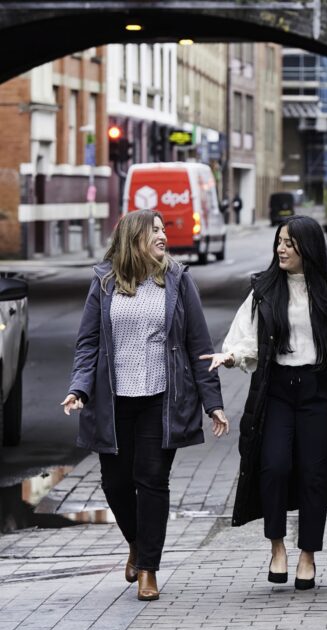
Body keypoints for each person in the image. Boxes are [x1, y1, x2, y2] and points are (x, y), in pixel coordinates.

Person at [203, 216, 327, 590]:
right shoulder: (263, 288)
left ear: (308, 248)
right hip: (277, 390)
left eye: (290, 244)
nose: (281, 249)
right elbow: (245, 339)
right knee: (274, 466)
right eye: (279, 242)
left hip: (320, 392)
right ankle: (277, 547)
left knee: (315, 475)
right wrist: (230, 357)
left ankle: (307, 555)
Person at [62, 209, 229, 601]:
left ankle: (148, 568)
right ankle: (136, 543)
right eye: (153, 230)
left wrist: (213, 403)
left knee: (151, 480)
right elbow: (89, 343)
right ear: (133, 238)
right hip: (114, 400)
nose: (162, 235)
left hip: (161, 399)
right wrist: (79, 389)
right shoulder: (104, 282)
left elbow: (198, 346)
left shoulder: (177, 279)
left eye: (162, 229)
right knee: (115, 483)